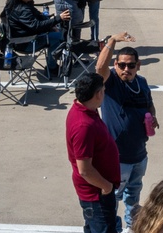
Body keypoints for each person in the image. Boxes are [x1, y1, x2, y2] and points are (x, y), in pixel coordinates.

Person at [96, 32, 158, 231]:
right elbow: (99, 68)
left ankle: (132, 227)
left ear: (138, 66)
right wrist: (112, 41)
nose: (126, 69)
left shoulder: (142, 83)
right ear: (115, 65)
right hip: (117, 158)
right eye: (122, 65)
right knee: (112, 196)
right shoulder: (111, 82)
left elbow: (149, 104)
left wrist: (152, 116)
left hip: (139, 155)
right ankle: (110, 227)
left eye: (131, 65)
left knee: (134, 194)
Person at [66, 73, 122, 233]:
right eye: (103, 90)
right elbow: (84, 169)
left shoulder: (84, 108)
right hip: (96, 195)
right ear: (98, 94)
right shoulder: (83, 125)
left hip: (96, 193)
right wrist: (106, 187)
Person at [0, 0, 70, 78]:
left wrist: (51, 24)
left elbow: (37, 16)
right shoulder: (22, 10)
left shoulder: (15, 3)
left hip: (20, 39)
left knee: (55, 32)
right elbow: (35, 26)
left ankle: (52, 64)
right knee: (59, 37)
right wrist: (58, 18)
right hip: (26, 43)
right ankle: (52, 67)